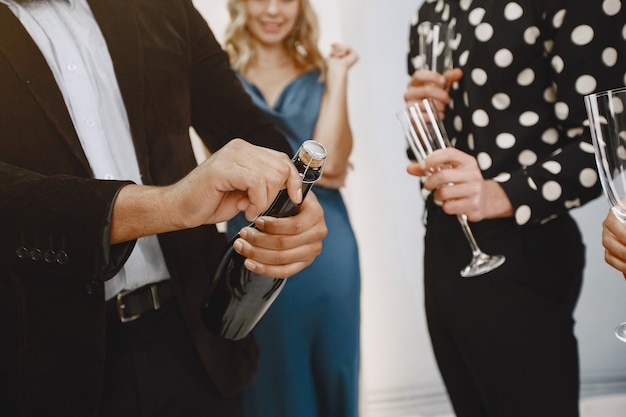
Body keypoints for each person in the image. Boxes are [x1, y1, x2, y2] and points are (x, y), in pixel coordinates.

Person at [0, 0, 330, 416]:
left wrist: (293, 199)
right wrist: (169, 204)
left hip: (196, 341)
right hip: (45, 364)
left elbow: (241, 124)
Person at [403, 1, 626, 416]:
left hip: (523, 247)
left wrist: (496, 194)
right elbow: (425, 152)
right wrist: (425, 119)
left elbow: (607, 145)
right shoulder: (432, 9)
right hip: (443, 241)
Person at [222, 0, 361, 416]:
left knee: (332, 363)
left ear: (302, 7)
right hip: (253, 236)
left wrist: (337, 78)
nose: (272, 10)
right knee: (269, 370)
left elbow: (332, 164)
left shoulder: (321, 74)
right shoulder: (217, 74)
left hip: (327, 243)